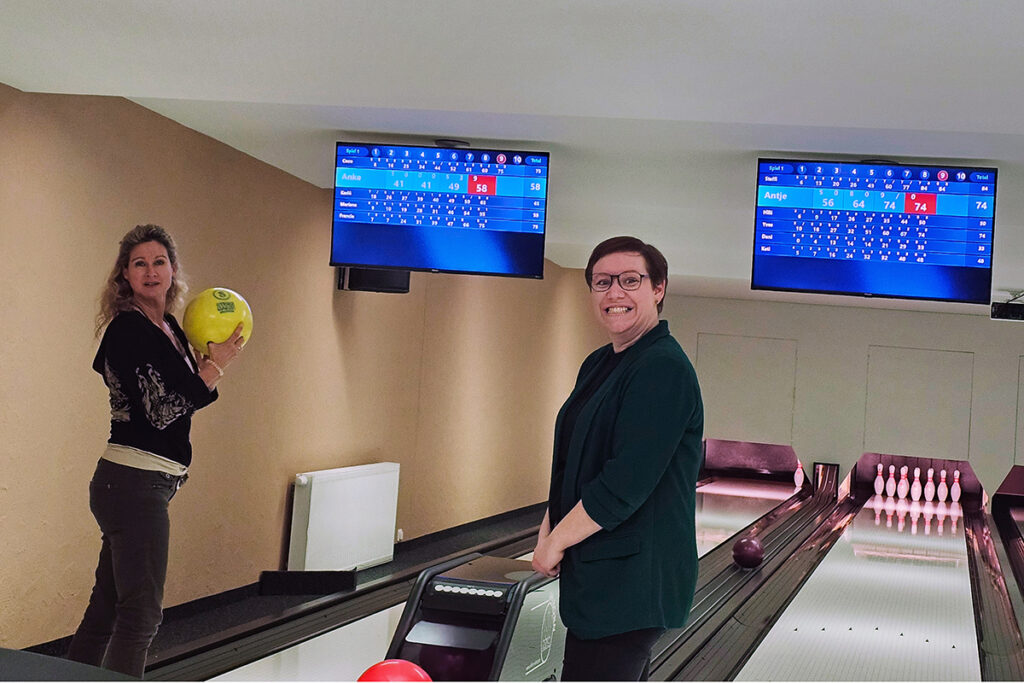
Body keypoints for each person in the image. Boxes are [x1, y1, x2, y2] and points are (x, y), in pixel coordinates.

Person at [67, 224, 244, 678]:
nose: (150, 271)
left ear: (173, 271)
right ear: (124, 276)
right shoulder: (128, 330)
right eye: (139, 263)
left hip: (140, 482)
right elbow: (163, 411)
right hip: (132, 483)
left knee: (107, 609)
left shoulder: (167, 327)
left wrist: (204, 368)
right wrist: (214, 369)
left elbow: (183, 396)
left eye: (159, 262)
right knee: (141, 616)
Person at [532, 236, 703, 681]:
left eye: (631, 280)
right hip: (603, 578)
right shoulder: (599, 363)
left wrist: (556, 542)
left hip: (633, 583)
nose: (615, 294)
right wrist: (548, 528)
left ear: (658, 289)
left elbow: (624, 482)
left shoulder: (663, 367)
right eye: (602, 282)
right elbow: (574, 464)